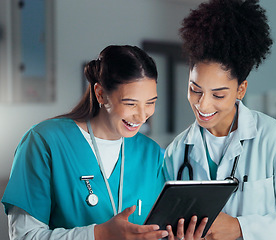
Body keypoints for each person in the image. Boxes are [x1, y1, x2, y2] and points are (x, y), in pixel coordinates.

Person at [2, 45, 206, 240]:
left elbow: (154, 231)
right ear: (100, 93)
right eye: (130, 103)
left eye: (150, 103)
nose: (143, 116)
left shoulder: (150, 153)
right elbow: (24, 236)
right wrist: (99, 235)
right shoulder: (45, 143)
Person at [164, 0, 276, 239]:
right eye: (195, 89)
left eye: (218, 94)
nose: (203, 104)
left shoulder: (275, 140)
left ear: (241, 90)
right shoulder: (176, 152)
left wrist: (240, 227)